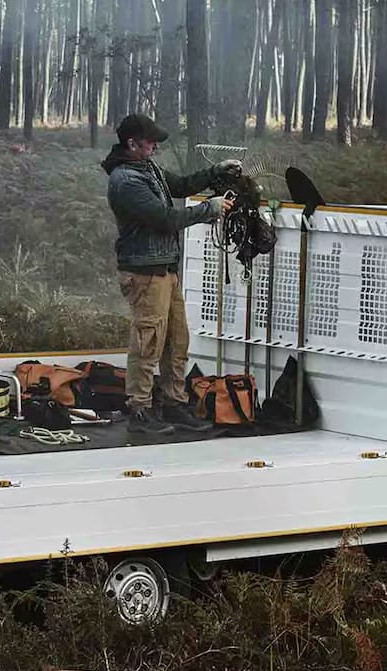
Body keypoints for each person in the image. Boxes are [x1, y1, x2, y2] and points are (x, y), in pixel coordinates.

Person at [101, 114, 240, 434]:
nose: (155, 145)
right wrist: (210, 209)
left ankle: (173, 403)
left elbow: (179, 185)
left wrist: (214, 172)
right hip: (144, 273)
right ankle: (140, 409)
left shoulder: (146, 168)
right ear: (131, 143)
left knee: (177, 340)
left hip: (164, 269)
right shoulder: (125, 180)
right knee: (147, 343)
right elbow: (164, 219)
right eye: (149, 141)